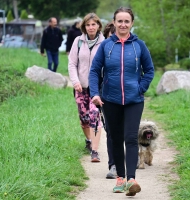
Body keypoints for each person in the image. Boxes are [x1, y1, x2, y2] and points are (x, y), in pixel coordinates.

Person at [89, 7, 154, 196]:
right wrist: (95, 93)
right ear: (114, 23)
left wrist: (140, 88)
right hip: (110, 99)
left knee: (131, 138)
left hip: (134, 100)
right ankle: (120, 178)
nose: (123, 24)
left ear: (132, 23)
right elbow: (95, 71)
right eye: (120, 21)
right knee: (115, 138)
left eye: (127, 21)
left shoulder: (139, 45)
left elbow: (149, 70)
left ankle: (131, 180)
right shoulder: (106, 46)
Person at [68, 13, 105, 162]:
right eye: (88, 25)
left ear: (98, 26)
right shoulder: (78, 41)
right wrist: (75, 81)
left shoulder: (105, 43)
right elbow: (72, 63)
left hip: (97, 88)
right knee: (84, 118)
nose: (91, 27)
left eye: (94, 24)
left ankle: (95, 151)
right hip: (80, 87)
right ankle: (89, 141)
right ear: (84, 26)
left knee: (94, 115)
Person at [102, 22, 117, 179]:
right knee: (111, 132)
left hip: (128, 97)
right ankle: (113, 165)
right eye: (110, 35)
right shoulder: (102, 51)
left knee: (126, 132)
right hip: (106, 97)